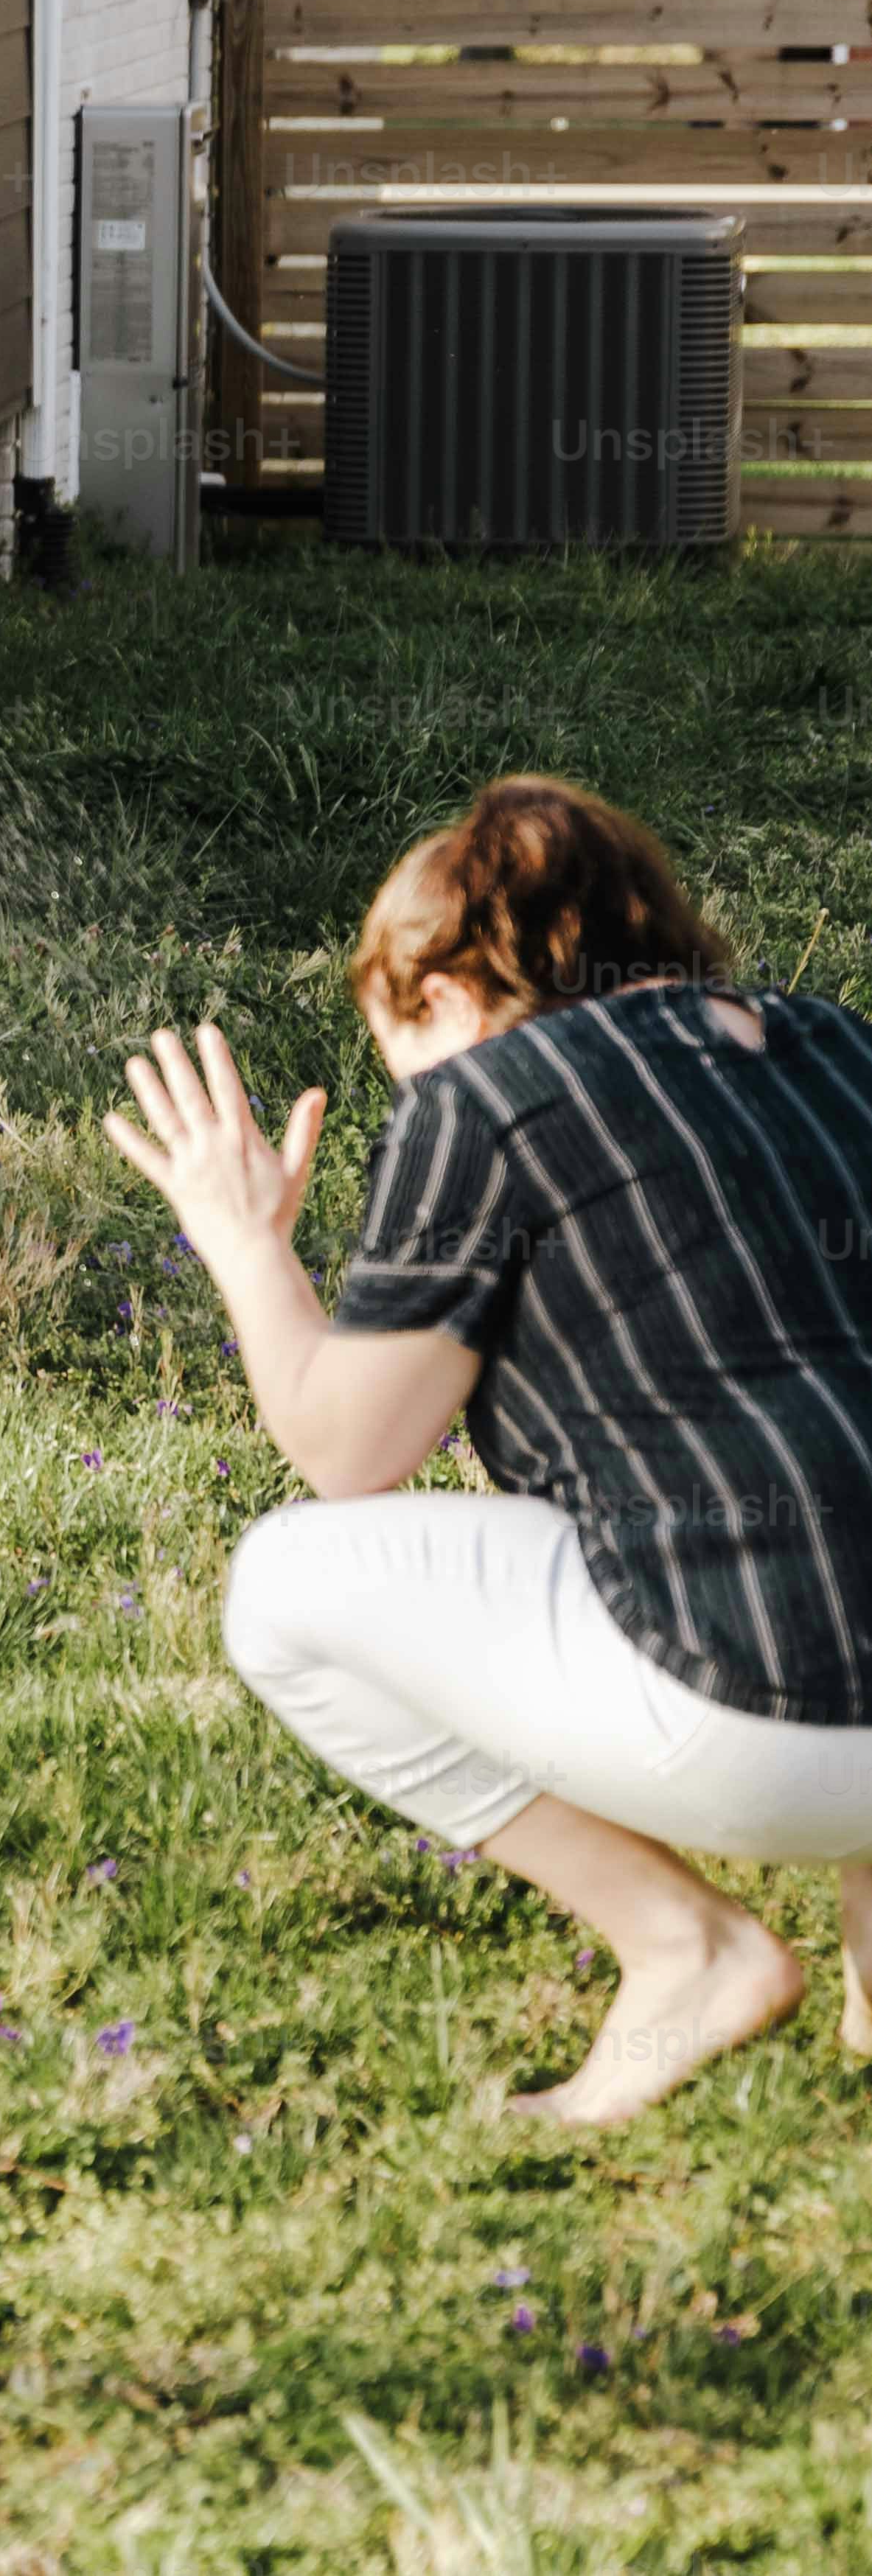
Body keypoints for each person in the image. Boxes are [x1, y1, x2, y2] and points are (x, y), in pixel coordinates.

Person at [103, 774, 872, 2128]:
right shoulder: (834, 1048)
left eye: (397, 1039)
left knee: (286, 1584)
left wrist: (242, 1240)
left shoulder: (488, 1096)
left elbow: (351, 1453)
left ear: (449, 995)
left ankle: (687, 1946)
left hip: (759, 1725)